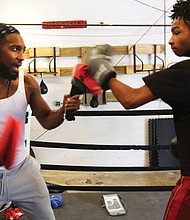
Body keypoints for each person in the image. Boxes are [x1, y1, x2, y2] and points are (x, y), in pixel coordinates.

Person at [86, 0, 190, 219]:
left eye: (177, 32)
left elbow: (131, 99)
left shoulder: (183, 72)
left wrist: (104, 74)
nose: (171, 40)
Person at [0, 23, 80, 219]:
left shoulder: (27, 83)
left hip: (22, 172)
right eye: (15, 49)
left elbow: (46, 120)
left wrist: (63, 109)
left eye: (22, 50)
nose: (21, 56)